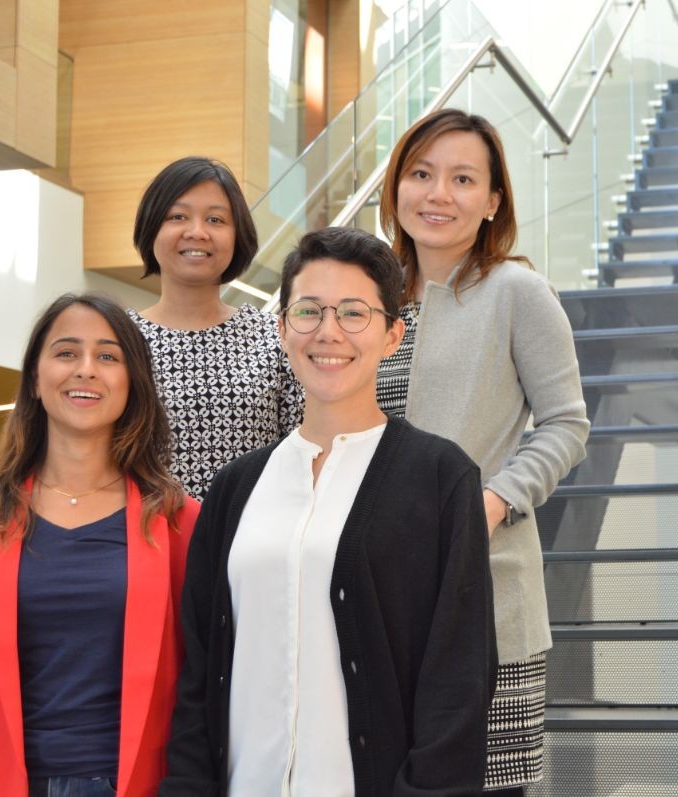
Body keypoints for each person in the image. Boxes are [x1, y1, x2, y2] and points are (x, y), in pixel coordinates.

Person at [160, 227, 497, 797]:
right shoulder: (234, 489)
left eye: (353, 313)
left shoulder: (441, 477)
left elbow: (459, 678)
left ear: (393, 334)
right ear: (282, 327)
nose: (328, 332)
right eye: (309, 311)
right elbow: (198, 674)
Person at [377, 108, 590, 795]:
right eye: (420, 173)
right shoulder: (367, 297)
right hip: (376, 600)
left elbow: (565, 424)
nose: (438, 194)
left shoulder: (517, 292)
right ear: (396, 186)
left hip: (485, 594)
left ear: (493, 200)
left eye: (462, 178)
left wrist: (492, 501)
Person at [0, 293, 200, 797]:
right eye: (66, 353)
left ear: (132, 384)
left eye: (108, 356)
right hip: (3, 783)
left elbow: (199, 676)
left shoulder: (177, 518)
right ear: (35, 378)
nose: (86, 370)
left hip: (138, 783)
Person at [129, 156, 304, 500]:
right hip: (148, 538)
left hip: (251, 538)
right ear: (152, 228)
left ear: (238, 235)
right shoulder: (119, 339)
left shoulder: (276, 337)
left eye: (216, 219)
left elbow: (303, 448)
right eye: (177, 216)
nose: (197, 231)